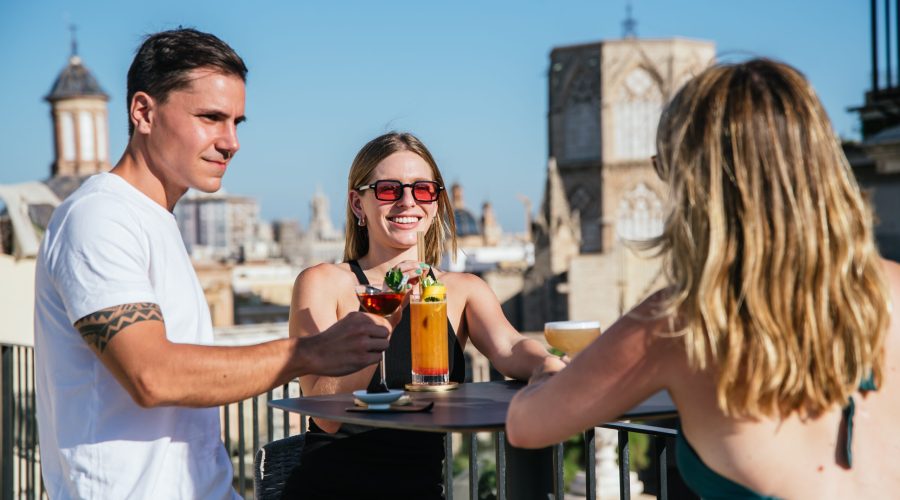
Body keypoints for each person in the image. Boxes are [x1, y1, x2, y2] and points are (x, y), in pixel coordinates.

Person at [506, 58, 900, 499]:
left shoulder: (681, 322)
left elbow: (527, 426)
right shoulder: (895, 291)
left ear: (696, 183)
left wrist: (544, 376)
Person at [34, 28, 392, 499]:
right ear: (143, 112)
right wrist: (308, 354)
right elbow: (153, 375)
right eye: (210, 118)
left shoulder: (153, 220)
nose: (231, 142)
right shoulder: (98, 216)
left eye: (237, 122)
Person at [281, 131, 561, 499]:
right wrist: (384, 319)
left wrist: (547, 366)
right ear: (357, 204)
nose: (408, 202)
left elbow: (510, 347)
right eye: (388, 190)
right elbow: (325, 414)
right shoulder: (323, 284)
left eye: (423, 190)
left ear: (436, 202)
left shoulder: (462, 290)